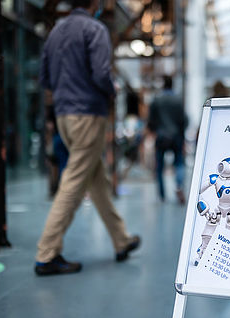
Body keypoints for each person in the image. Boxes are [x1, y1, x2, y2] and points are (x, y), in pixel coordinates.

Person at [36, 0, 140, 276]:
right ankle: (47, 253)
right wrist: (112, 91)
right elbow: (101, 73)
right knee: (74, 180)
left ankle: (121, 239)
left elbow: (44, 78)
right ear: (93, 3)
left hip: (64, 116)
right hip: (88, 115)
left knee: (96, 178)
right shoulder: (94, 30)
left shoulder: (55, 33)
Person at [147, 76, 188, 204]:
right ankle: (179, 185)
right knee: (179, 163)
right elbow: (184, 120)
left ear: (162, 85)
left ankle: (162, 195)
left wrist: (154, 131)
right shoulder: (178, 100)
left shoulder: (156, 100)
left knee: (159, 167)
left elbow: (151, 120)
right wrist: (182, 136)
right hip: (176, 136)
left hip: (161, 137)